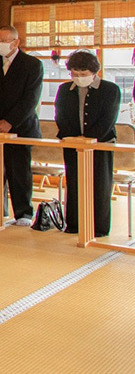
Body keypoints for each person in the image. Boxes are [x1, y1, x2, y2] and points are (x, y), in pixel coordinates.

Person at [0, 26, 44, 225]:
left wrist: (9, 122)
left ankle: (23, 212)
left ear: (16, 42)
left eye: (4, 40)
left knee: (19, 171)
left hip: (21, 127)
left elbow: (31, 99)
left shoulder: (32, 64)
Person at [55, 51, 120, 237]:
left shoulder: (110, 89)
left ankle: (99, 227)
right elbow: (60, 116)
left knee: (100, 185)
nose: (79, 78)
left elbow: (108, 120)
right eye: (75, 74)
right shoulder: (64, 89)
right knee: (74, 182)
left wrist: (89, 138)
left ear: (94, 72)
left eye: (83, 74)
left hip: (101, 144)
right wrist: (73, 137)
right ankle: (74, 224)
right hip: (72, 143)